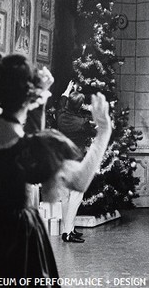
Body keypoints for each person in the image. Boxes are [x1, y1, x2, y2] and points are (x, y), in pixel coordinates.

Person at [0, 54, 112, 280]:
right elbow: (80, 180)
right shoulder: (33, 147)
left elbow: (27, 133)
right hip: (17, 240)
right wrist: (104, 130)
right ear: (32, 98)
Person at [56, 80, 95, 243]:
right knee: (76, 196)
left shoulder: (61, 115)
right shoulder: (82, 123)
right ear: (79, 107)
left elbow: (62, 101)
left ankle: (69, 229)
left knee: (64, 197)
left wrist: (67, 90)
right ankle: (67, 232)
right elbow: (95, 131)